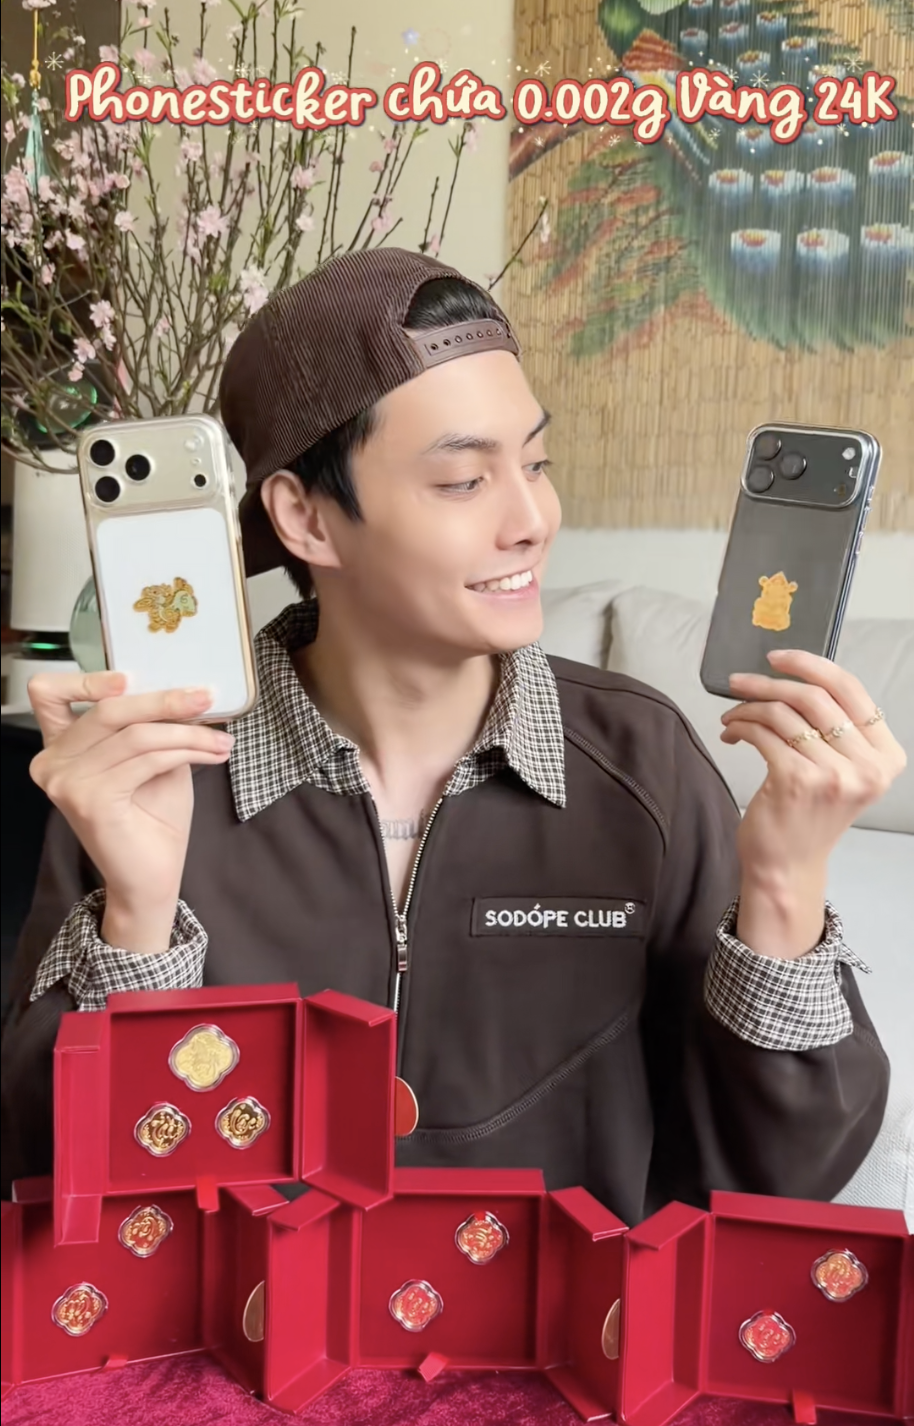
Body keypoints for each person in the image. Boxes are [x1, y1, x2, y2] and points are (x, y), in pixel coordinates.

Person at [1, 249, 905, 1222]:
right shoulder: (153, 778)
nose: (533, 519)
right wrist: (140, 917)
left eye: (536, 464)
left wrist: (783, 887)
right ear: (306, 518)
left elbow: (775, 1182)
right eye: (465, 479)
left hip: (571, 1318)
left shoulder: (643, 763)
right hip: (246, 1316)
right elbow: (60, 1185)